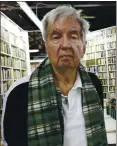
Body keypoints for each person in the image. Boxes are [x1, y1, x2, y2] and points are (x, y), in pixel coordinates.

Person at [1, 5, 107, 146]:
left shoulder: (94, 83)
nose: (65, 45)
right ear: (47, 47)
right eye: (56, 37)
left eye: (73, 36)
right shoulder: (19, 93)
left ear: (84, 47)